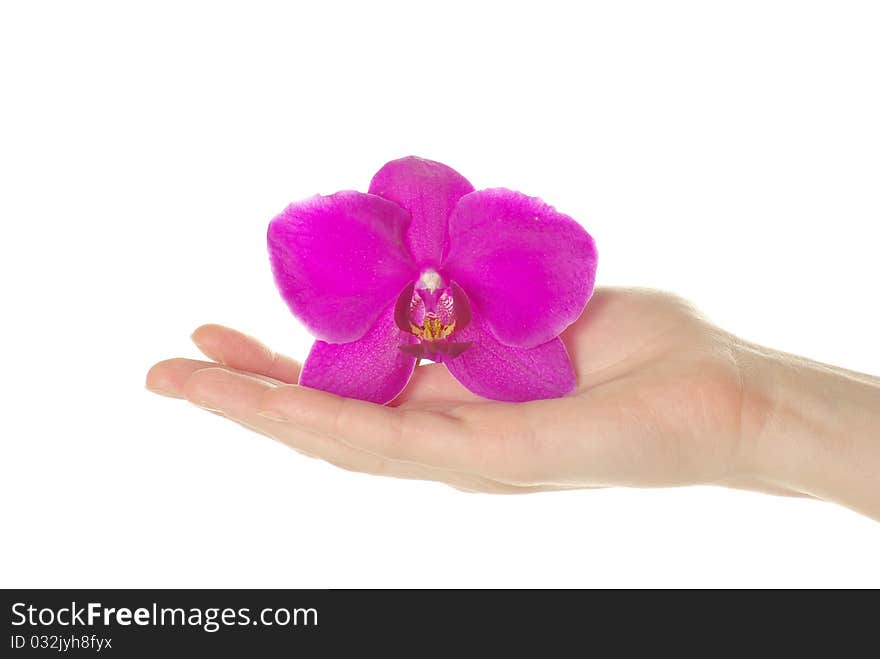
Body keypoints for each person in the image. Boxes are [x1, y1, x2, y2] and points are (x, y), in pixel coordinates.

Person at [145, 287, 880, 521]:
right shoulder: (375, 343)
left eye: (441, 298)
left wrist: (748, 408)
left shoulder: (522, 351)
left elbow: (538, 362)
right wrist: (751, 411)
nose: (431, 308)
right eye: (422, 298)